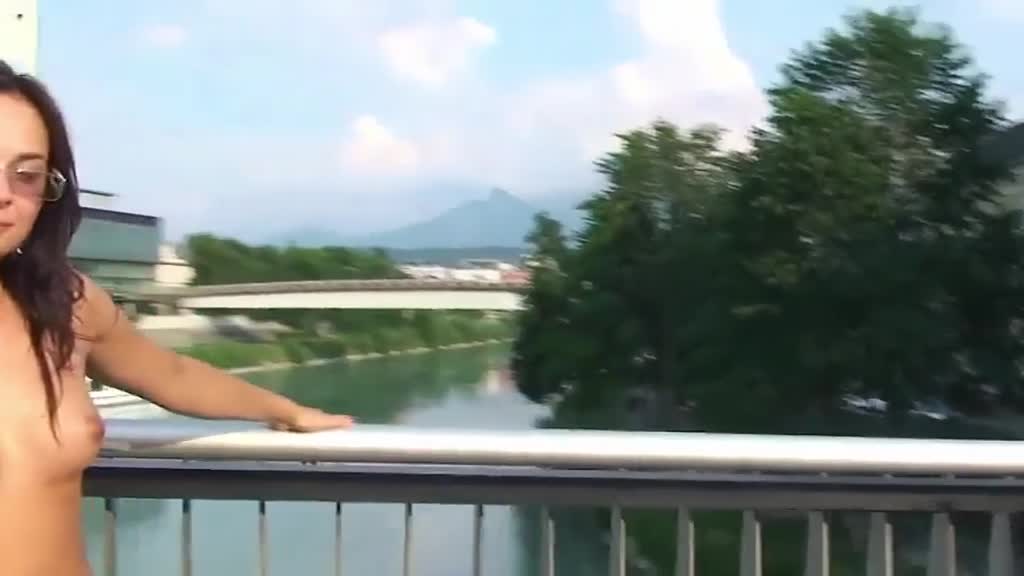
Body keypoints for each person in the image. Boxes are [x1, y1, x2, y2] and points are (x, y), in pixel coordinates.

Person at [0, 60, 354, 575]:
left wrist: (284, 409)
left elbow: (172, 374)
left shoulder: (64, 304)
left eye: (26, 175)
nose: (4, 193)